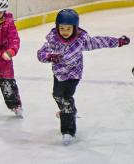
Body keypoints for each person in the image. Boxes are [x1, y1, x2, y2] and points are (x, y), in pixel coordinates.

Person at [37, 9, 130, 145]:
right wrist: (49, 56)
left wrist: (117, 42)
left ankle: (68, 130)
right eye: (61, 28)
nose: (64, 31)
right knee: (57, 95)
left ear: (75, 28)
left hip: (74, 74)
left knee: (66, 99)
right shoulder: (53, 40)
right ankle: (69, 112)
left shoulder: (81, 40)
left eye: (68, 28)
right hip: (59, 74)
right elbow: (40, 54)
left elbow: (99, 41)